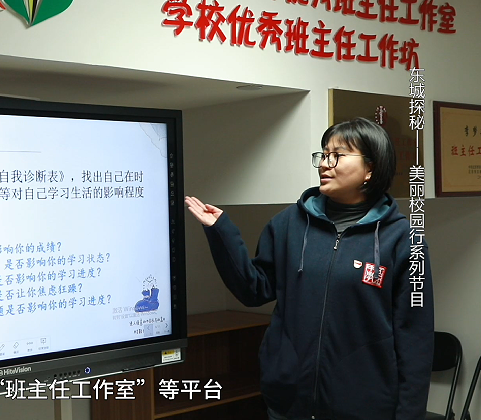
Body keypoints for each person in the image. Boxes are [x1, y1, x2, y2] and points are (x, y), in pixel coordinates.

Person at [185, 117, 434, 420]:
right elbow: (254, 290)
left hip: (364, 406)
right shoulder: (288, 224)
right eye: (323, 154)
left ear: (370, 168)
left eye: (337, 155)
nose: (325, 164)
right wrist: (221, 232)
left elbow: (415, 337)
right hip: (290, 402)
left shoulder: (404, 240)